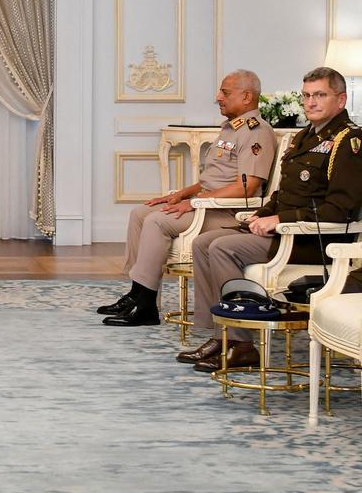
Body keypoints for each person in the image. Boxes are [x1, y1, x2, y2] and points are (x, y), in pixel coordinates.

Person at [183, 67, 362, 371]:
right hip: (286, 232)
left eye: (320, 95)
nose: (311, 102)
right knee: (203, 243)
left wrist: (279, 220)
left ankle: (241, 345)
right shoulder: (305, 136)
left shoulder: (349, 142)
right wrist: (262, 214)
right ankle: (219, 333)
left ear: (341, 100)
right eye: (306, 95)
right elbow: (285, 194)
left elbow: (341, 209)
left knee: (222, 247)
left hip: (313, 241)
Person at [99, 70, 276, 327]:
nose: (218, 98)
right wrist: (183, 193)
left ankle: (146, 305)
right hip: (208, 204)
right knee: (140, 214)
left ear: (247, 96)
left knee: (158, 221)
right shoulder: (231, 128)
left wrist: (194, 202)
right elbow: (212, 179)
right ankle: (136, 293)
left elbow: (247, 188)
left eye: (225, 93)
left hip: (227, 213)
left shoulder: (255, 132)